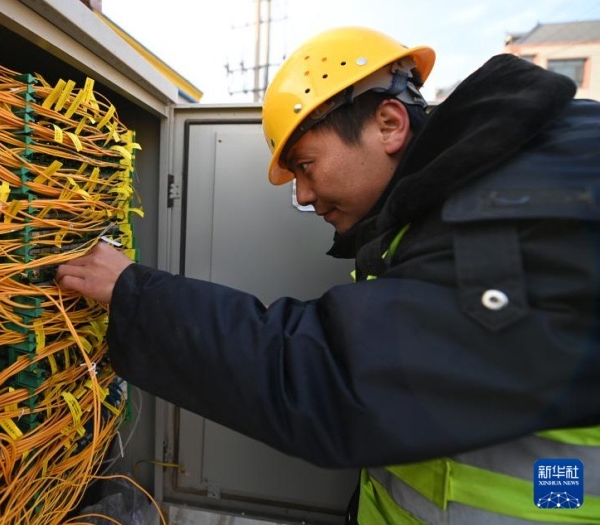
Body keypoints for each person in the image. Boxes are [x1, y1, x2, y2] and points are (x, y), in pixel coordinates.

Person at [55, 26, 600, 523]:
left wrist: (134, 291)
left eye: (306, 166)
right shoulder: (458, 201)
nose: (303, 195)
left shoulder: (534, 197)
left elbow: (333, 376)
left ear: (388, 123)